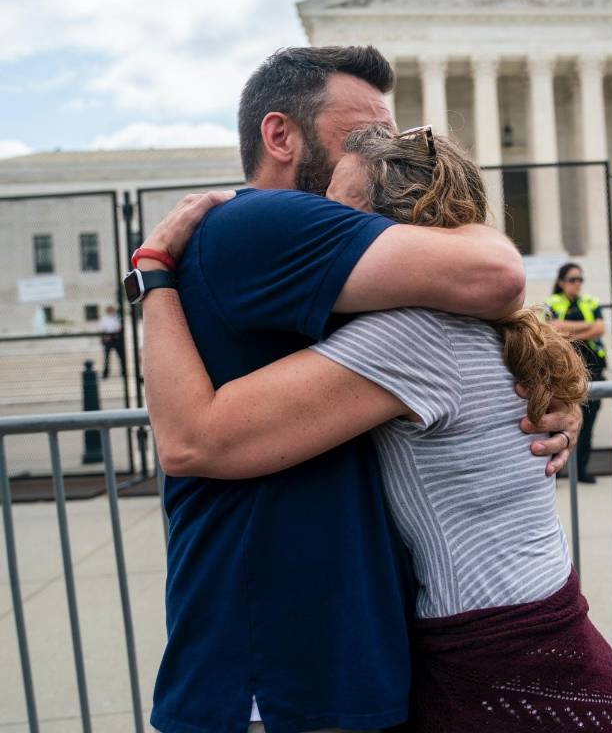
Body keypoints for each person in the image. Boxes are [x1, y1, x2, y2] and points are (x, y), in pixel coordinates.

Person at [138, 46, 580, 733]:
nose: (381, 150)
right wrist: (151, 278)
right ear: (280, 135)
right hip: (283, 675)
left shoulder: (364, 284)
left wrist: (531, 398)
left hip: (344, 656)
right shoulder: (267, 221)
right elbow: (495, 272)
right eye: (359, 136)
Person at [546, 263, 607, 483]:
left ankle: (581, 468)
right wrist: (586, 327)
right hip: (565, 372)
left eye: (580, 279)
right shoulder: (553, 302)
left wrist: (568, 330)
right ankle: (557, 468)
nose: (577, 284)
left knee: (588, 422)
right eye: (572, 280)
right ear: (562, 282)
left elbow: (600, 328)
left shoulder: (590, 302)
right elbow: (553, 328)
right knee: (563, 419)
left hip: (594, 369)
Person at [98, 305, 124, 379]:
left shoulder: (117, 318)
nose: (111, 312)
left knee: (121, 357)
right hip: (108, 339)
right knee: (106, 357)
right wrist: (105, 337)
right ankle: (105, 373)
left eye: (111, 310)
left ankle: (123, 372)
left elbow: (119, 328)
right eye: (109, 311)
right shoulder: (104, 319)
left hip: (116, 338)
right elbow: (102, 329)